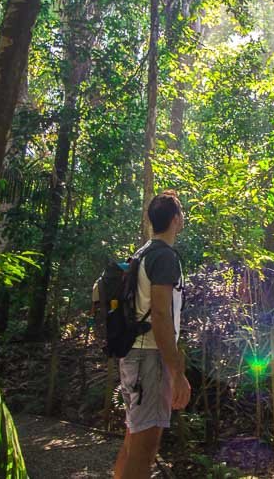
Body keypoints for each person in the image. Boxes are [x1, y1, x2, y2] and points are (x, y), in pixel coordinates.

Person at [113, 190, 192, 479]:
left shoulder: (142, 253)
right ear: (175, 220)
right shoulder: (164, 257)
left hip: (134, 353)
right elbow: (160, 315)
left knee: (134, 438)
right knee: (146, 446)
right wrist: (176, 371)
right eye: (181, 214)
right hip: (150, 357)